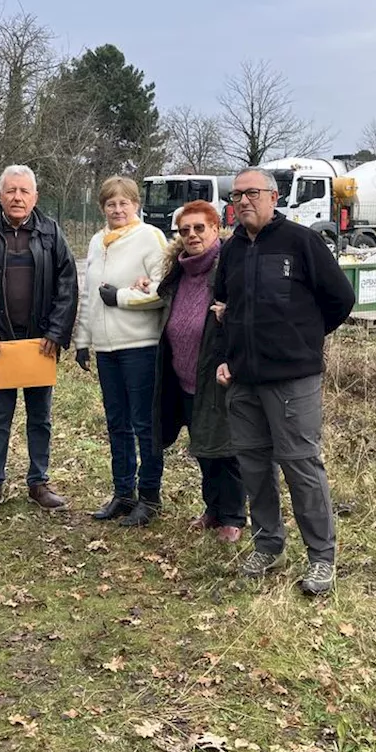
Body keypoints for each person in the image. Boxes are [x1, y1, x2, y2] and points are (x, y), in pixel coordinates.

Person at [214, 167, 355, 596]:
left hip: (293, 380)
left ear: (274, 197)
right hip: (244, 381)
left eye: (251, 193)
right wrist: (227, 355)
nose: (242, 202)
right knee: (254, 467)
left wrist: (303, 340)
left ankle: (320, 558)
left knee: (300, 466)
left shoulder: (300, 242)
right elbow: (224, 306)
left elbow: (341, 299)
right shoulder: (233, 249)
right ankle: (269, 544)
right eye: (236, 195)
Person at [0, 164, 78, 519]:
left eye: (24, 191)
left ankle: (38, 482)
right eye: (11, 191)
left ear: (35, 197)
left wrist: (56, 333)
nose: (17, 197)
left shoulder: (51, 232)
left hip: (40, 345)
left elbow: (67, 285)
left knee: (40, 418)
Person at [74, 176, 169, 526]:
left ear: (136, 205)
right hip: (106, 348)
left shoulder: (149, 238)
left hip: (140, 346)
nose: (117, 210)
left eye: (123, 203)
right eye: (110, 204)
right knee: (116, 423)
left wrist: (123, 298)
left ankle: (150, 495)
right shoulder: (98, 241)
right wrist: (83, 340)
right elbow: (89, 295)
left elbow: (164, 289)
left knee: (143, 423)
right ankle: (123, 492)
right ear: (103, 208)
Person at [150, 200, 245, 542]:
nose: (192, 235)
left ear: (215, 228)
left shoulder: (227, 267)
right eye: (185, 230)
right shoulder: (179, 270)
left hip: (217, 375)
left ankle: (233, 516)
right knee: (202, 447)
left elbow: (246, 311)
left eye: (199, 228)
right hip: (184, 377)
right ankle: (213, 510)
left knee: (225, 449)